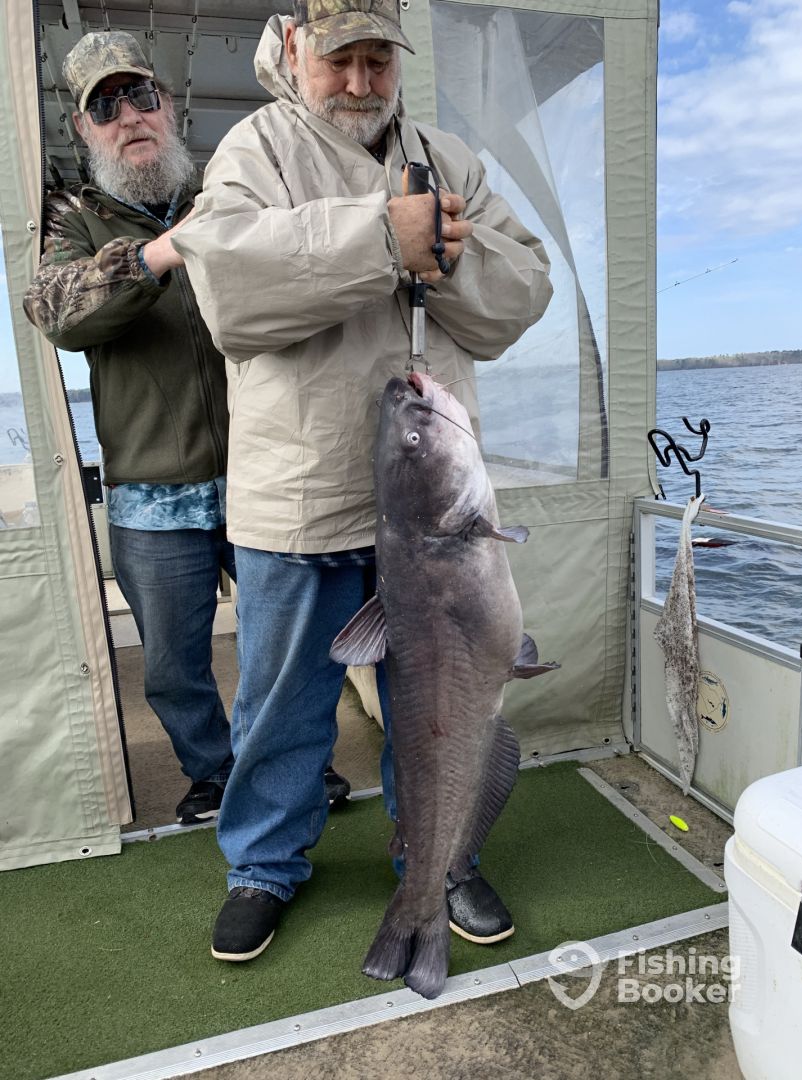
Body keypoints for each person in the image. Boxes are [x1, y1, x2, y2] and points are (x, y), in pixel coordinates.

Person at [171, 0, 553, 961]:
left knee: (442, 707)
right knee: (281, 705)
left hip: (437, 507)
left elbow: (522, 293)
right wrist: (382, 237)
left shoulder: (447, 157)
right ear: (296, 46)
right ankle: (263, 864)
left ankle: (442, 860)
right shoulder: (253, 151)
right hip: (301, 492)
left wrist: (447, 250)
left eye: (378, 59)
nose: (358, 81)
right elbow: (230, 295)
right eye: (340, 58)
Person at [22, 30, 351, 825]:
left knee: (288, 647)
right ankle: (213, 771)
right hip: (150, 497)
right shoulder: (72, 220)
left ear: (168, 106)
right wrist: (161, 252)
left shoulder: (231, 190)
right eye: (105, 106)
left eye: (140, 95)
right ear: (83, 129)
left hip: (264, 475)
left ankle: (290, 767)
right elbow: (56, 311)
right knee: (173, 666)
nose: (128, 116)